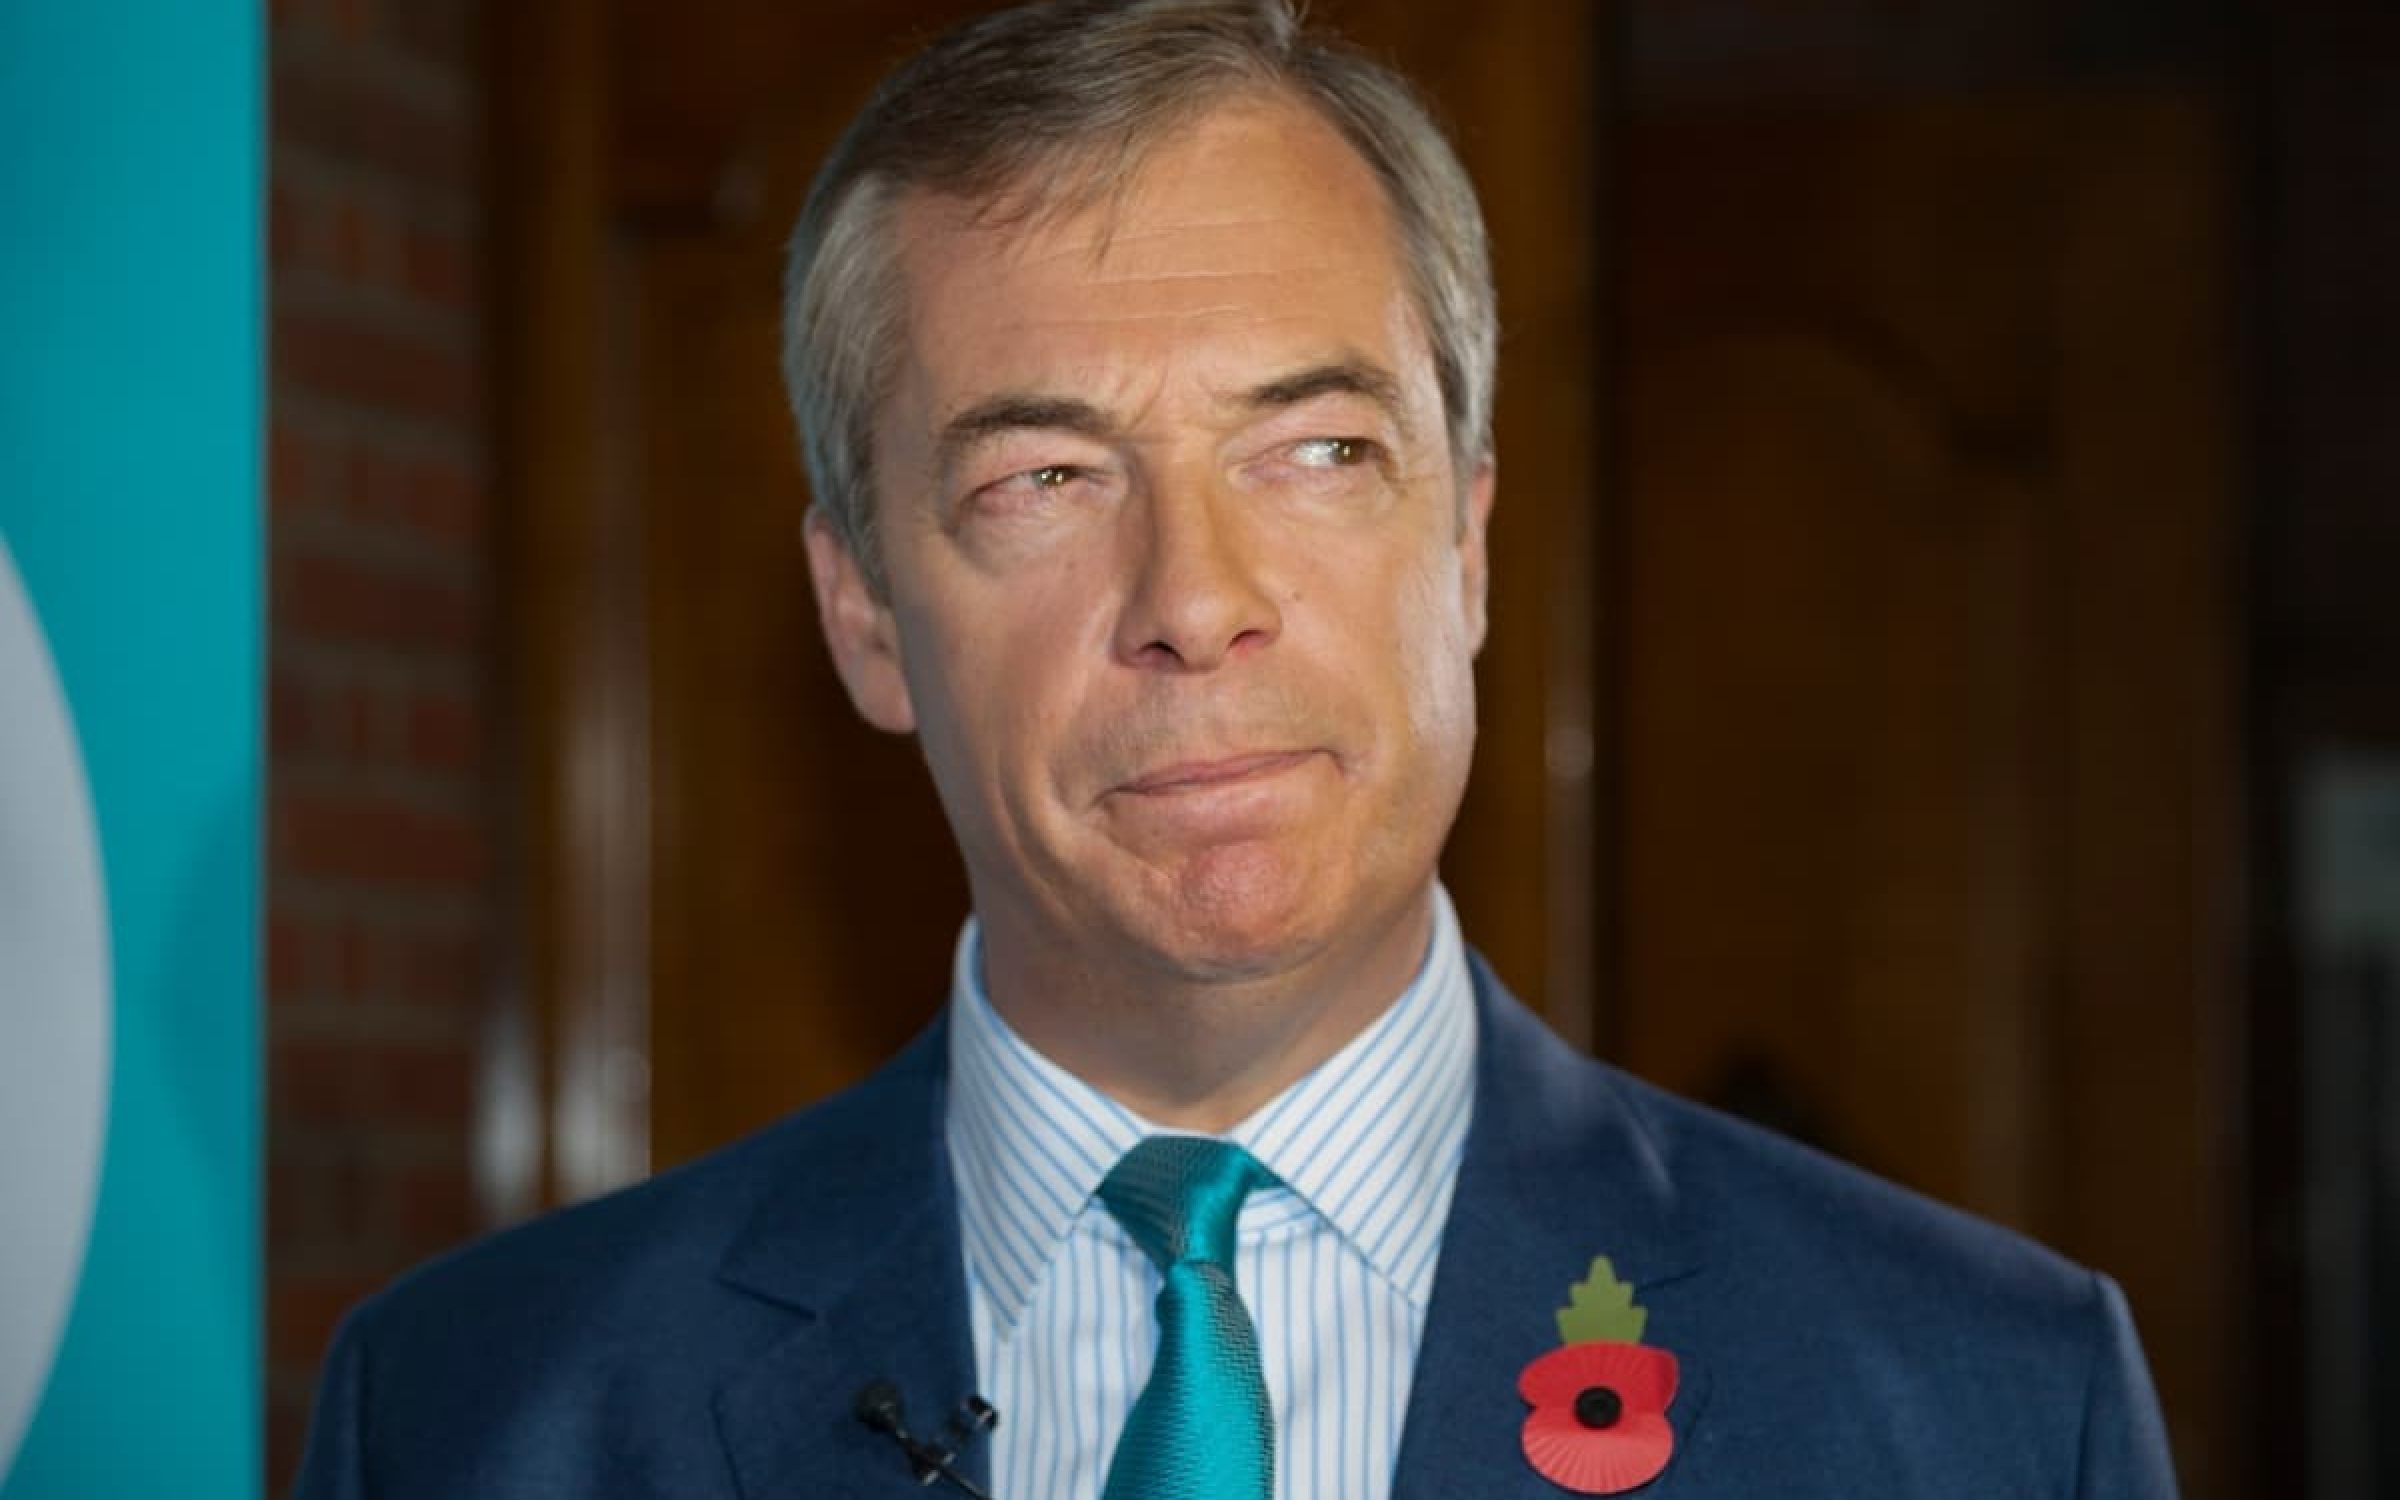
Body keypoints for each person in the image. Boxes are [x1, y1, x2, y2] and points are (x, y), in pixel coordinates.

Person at [292, 2, 2179, 1496]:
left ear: (1467, 547)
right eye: (1043, 478)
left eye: (1316, 451)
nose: (1195, 597)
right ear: (865, 616)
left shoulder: (1984, 1411)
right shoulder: (480, 1421)